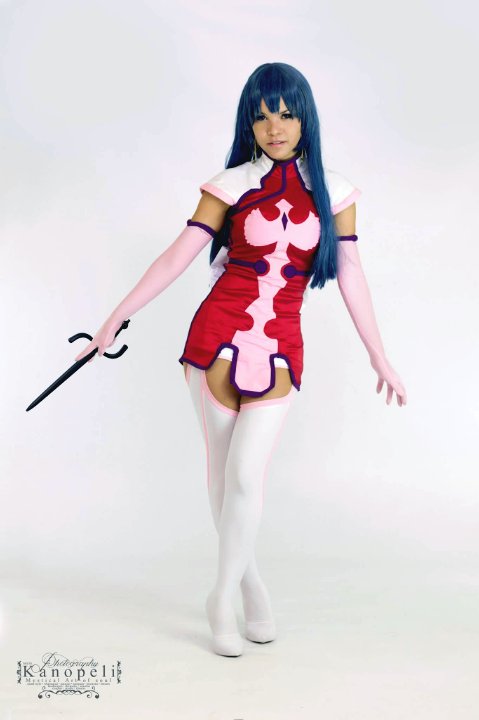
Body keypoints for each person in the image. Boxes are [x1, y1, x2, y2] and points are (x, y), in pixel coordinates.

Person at [75, 62, 407, 658]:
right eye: (261, 116)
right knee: (224, 477)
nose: (274, 127)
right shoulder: (228, 185)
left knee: (247, 476)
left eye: (286, 113)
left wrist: (378, 354)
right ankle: (248, 590)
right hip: (216, 338)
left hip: (280, 345)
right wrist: (113, 319)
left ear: (305, 117)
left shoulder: (336, 192)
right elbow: (176, 258)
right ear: (247, 124)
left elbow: (351, 271)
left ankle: (223, 593)